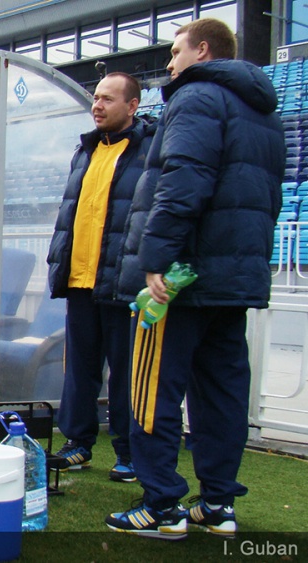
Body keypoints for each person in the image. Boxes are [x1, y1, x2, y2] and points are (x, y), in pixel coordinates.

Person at [108, 19, 283, 539]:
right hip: (234, 276)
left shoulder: (196, 96)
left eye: (175, 51)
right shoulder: (262, 110)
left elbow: (183, 181)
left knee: (152, 387)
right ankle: (217, 504)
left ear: (202, 50)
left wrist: (156, 259)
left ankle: (161, 505)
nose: (169, 63)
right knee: (222, 392)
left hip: (182, 279)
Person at [45, 72, 156, 483]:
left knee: (127, 373)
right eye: (95, 97)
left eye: (108, 99)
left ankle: (129, 452)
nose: (97, 105)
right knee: (79, 368)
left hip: (123, 281)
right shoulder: (85, 150)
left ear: (132, 105)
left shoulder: (150, 149)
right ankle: (78, 442)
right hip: (80, 278)